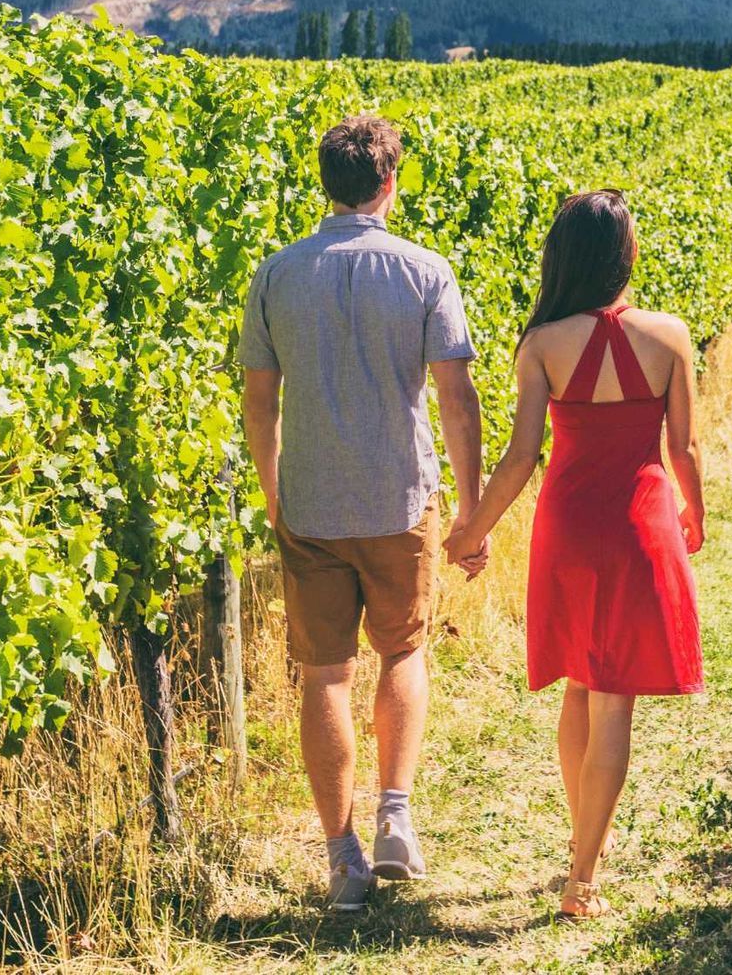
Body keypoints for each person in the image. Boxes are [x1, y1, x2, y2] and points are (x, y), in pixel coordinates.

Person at [240, 114, 487, 913]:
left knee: (324, 675)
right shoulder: (424, 272)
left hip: (310, 501)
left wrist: (277, 493)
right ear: (390, 182)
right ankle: (396, 820)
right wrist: (472, 511)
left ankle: (342, 858)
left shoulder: (276, 275)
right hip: (398, 500)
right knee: (404, 652)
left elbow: (259, 401)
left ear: (326, 183)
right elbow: (457, 398)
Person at [441, 189, 705, 920]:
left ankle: (583, 836)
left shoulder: (542, 344)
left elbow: (522, 457)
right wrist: (696, 512)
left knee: (581, 687)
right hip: (638, 523)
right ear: (627, 255)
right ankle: (583, 875)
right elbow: (682, 446)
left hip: (569, 529)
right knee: (613, 698)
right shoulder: (670, 336)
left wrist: (471, 531)